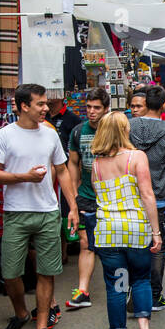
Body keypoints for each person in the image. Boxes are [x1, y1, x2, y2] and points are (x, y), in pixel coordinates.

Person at [0, 84, 80, 329]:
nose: (46, 108)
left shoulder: (50, 135)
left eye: (46, 104)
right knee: (10, 272)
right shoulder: (5, 135)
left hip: (48, 212)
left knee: (47, 271)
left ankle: (41, 328)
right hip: (16, 213)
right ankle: (20, 313)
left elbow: (62, 171)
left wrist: (72, 207)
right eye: (40, 104)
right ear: (24, 106)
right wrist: (23, 177)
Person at [91, 111, 162, 329]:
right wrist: (157, 232)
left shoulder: (97, 165)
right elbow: (147, 195)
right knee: (141, 278)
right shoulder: (136, 157)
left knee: (117, 284)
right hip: (134, 229)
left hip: (108, 232)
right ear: (124, 131)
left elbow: (99, 196)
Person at [128, 85, 165, 311]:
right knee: (156, 246)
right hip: (159, 197)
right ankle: (155, 294)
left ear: (146, 104)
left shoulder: (128, 127)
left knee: (132, 245)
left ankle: (134, 288)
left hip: (130, 195)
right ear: (162, 106)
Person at [64, 87, 109, 310]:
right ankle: (83, 291)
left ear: (106, 109)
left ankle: (121, 290)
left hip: (111, 198)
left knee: (113, 245)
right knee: (85, 244)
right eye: (89, 107)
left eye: (97, 108)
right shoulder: (78, 131)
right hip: (86, 197)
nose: (92, 112)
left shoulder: (113, 131)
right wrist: (74, 191)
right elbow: (72, 162)